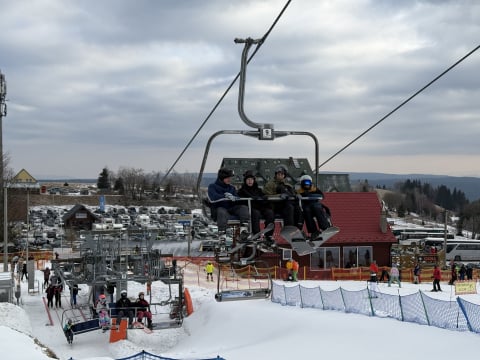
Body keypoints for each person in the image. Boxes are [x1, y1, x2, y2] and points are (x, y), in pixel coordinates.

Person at [207, 167, 250, 235]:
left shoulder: (231, 188)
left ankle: (244, 230)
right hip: (219, 208)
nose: (229, 179)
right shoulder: (212, 186)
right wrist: (225, 196)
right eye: (227, 178)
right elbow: (213, 197)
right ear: (222, 178)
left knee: (243, 208)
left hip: (231, 208)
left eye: (230, 178)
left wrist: (235, 198)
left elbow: (237, 198)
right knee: (222, 211)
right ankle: (222, 232)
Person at [237, 170, 275, 240]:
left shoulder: (258, 190)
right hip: (251, 208)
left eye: (251, 179)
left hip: (260, 207)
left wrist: (264, 198)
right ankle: (256, 234)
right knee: (256, 213)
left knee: (270, 213)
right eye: (248, 179)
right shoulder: (242, 191)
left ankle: (269, 234)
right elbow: (240, 202)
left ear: (254, 180)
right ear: (245, 181)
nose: (250, 181)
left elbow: (263, 198)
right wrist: (251, 199)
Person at [296, 174, 332, 240]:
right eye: (305, 182)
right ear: (301, 183)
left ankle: (324, 227)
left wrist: (310, 195)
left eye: (308, 182)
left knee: (317, 207)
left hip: (315, 205)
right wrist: (298, 195)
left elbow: (321, 196)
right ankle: (314, 231)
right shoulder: (299, 191)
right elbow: (295, 196)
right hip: (306, 207)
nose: (307, 184)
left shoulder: (314, 189)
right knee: (306, 211)